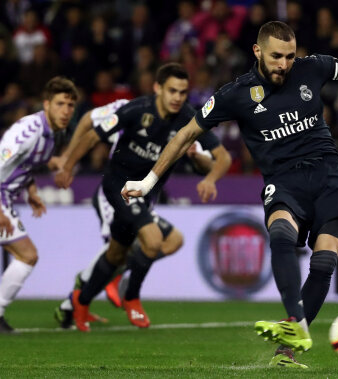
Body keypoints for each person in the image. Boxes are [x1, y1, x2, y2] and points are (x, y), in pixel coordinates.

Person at [121, 21, 338, 368]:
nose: (284, 64)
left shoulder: (312, 67)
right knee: (281, 232)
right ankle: (297, 322)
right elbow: (184, 135)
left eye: (289, 56)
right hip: (284, 180)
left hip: (330, 175)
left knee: (325, 257)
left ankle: (287, 348)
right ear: (257, 52)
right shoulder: (235, 94)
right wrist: (147, 183)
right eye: (275, 56)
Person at [54, 63, 230, 332]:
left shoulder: (188, 118)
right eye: (172, 90)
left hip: (145, 196)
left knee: (116, 253)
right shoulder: (136, 109)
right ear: (157, 88)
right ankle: (132, 296)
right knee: (153, 239)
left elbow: (223, 158)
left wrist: (210, 178)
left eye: (183, 92)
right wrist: (68, 165)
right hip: (119, 188)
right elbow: (92, 135)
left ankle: (81, 300)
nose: (177, 97)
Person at [0, 77, 78, 333]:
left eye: (70, 105)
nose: (65, 111)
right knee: (27, 255)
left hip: (8, 196)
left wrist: (31, 190)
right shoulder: (28, 132)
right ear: (46, 104)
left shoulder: (54, 132)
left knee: (24, 255)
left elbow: (26, 164)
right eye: (59, 104)